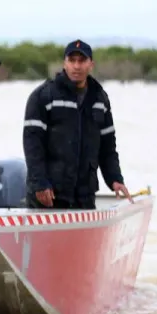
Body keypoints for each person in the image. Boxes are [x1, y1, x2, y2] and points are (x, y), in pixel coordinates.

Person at [22, 41, 131, 209]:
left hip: (84, 196)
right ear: (64, 63)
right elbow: (32, 145)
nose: (77, 66)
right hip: (49, 195)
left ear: (91, 65)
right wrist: (40, 183)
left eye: (82, 61)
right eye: (72, 60)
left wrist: (115, 179)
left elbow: (108, 147)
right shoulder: (43, 96)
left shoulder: (100, 99)